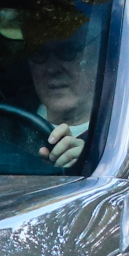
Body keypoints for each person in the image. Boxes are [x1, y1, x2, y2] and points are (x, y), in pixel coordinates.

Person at [29, 41, 95, 170]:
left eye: (67, 51)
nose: (52, 69)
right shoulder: (3, 123)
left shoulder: (122, 135)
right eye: (39, 53)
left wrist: (89, 164)